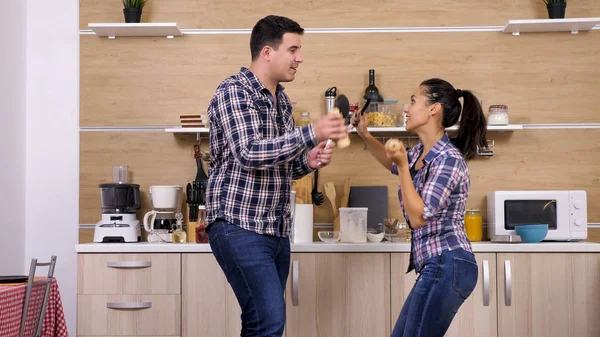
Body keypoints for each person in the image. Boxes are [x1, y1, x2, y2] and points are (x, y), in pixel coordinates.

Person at [205, 15, 347, 337]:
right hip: (239, 224)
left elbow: (281, 164)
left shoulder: (281, 100)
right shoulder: (233, 91)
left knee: (260, 321)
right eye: (293, 49)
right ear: (267, 52)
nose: (300, 58)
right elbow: (249, 152)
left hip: (276, 230)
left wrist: (308, 161)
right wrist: (311, 132)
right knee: (269, 323)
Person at [351, 78, 486, 337]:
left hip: (449, 262)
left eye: (413, 101)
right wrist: (364, 133)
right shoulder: (422, 153)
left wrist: (403, 166)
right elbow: (391, 163)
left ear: (433, 109)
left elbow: (418, 217)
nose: (407, 108)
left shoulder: (448, 159)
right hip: (438, 265)